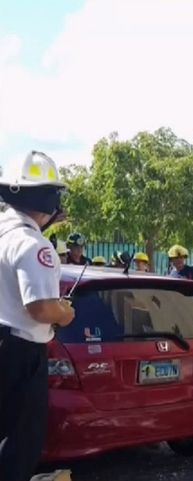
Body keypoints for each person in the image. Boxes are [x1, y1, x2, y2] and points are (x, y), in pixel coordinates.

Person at [0, 151, 76, 481]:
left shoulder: (7, 234)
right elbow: (41, 309)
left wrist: (43, 223)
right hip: (20, 354)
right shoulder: (35, 245)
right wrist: (66, 313)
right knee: (20, 443)